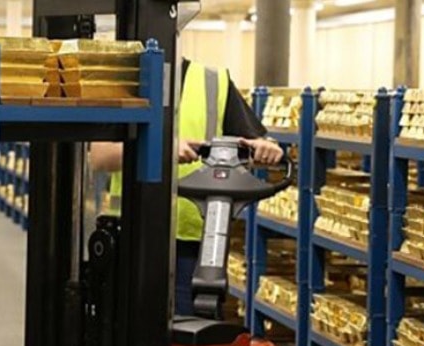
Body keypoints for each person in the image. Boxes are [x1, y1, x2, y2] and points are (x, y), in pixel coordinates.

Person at [90, 57, 283, 317]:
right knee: (126, 323)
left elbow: (253, 143)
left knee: (191, 325)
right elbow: (100, 157)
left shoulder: (213, 80)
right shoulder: (123, 79)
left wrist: (266, 148)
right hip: (132, 234)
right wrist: (165, 150)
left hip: (195, 244)